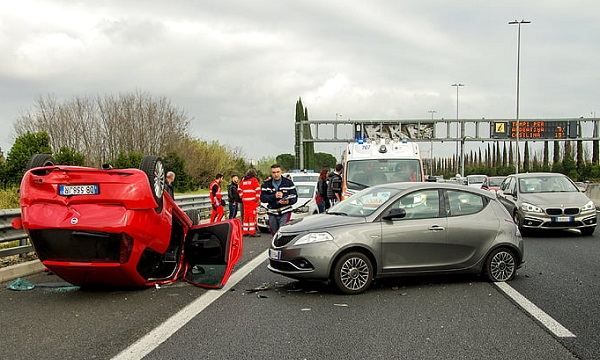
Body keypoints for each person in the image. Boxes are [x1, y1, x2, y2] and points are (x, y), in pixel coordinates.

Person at [261, 164, 297, 234]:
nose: (276, 174)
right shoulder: (266, 184)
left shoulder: (288, 183)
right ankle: (275, 244)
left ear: (281, 172)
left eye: (278, 172)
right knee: (274, 233)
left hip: (285, 211)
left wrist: (288, 201)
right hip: (272, 212)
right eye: (274, 172)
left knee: (283, 231)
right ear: (271, 173)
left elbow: (295, 197)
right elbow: (262, 198)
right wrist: (274, 196)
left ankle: (283, 244)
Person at [238, 169, 261, 236]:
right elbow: (258, 190)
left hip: (245, 201)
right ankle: (252, 232)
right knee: (252, 216)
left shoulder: (243, 180)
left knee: (246, 216)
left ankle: (245, 231)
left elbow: (239, 189)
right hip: (252, 201)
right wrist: (257, 199)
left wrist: (242, 197)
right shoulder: (254, 180)